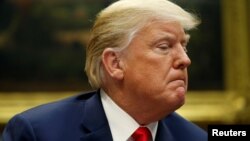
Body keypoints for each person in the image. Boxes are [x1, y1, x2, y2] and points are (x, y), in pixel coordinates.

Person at [2, 0, 208, 140]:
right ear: (115, 63)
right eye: (164, 47)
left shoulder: (195, 137)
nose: (185, 59)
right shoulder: (38, 133)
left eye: (184, 46)